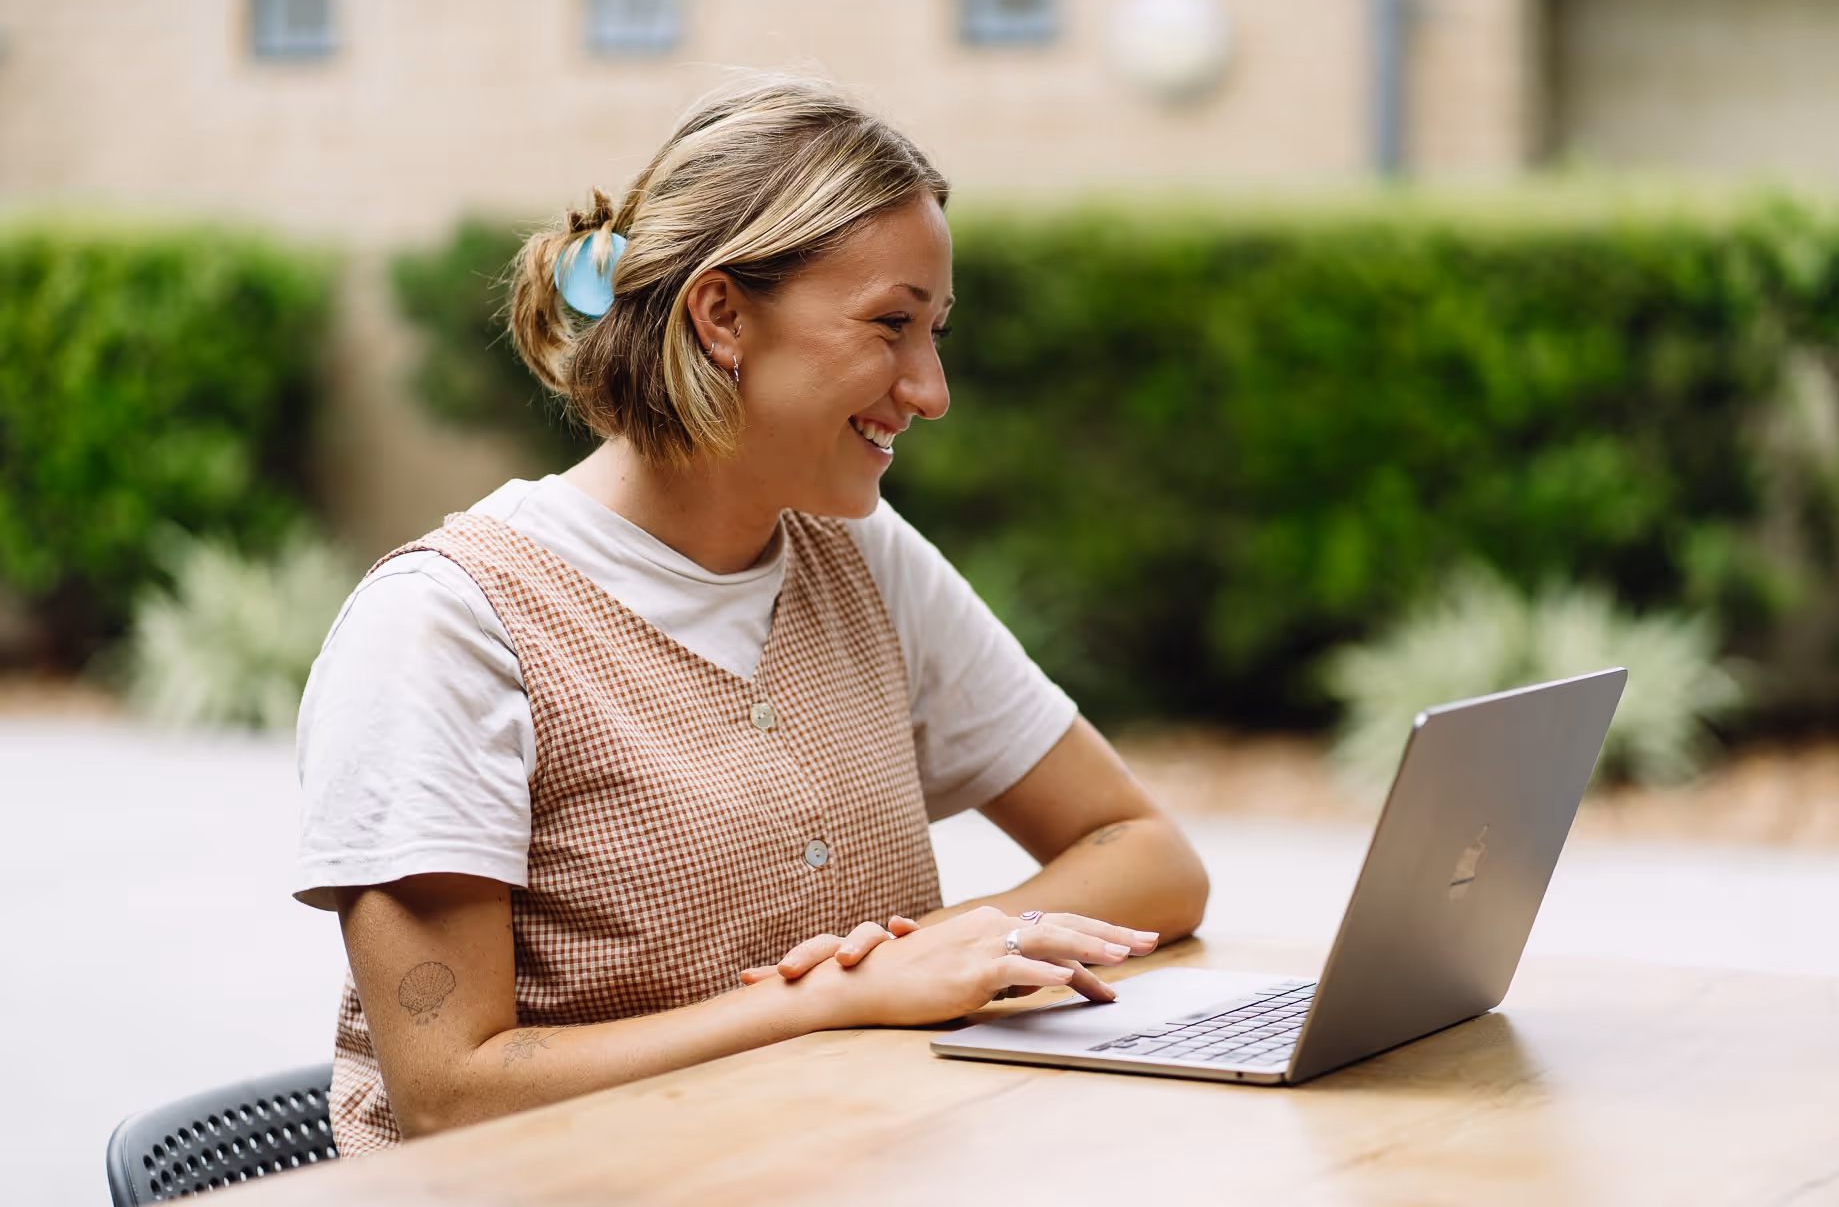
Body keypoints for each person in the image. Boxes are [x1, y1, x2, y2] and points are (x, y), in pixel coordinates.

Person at [294, 76, 1209, 1156]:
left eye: (937, 332)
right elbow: (451, 1092)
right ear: (723, 315)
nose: (930, 387)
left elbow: (1150, 855)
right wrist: (840, 994)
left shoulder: (861, 557)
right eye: (892, 326)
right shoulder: (446, 625)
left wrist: (961, 943)